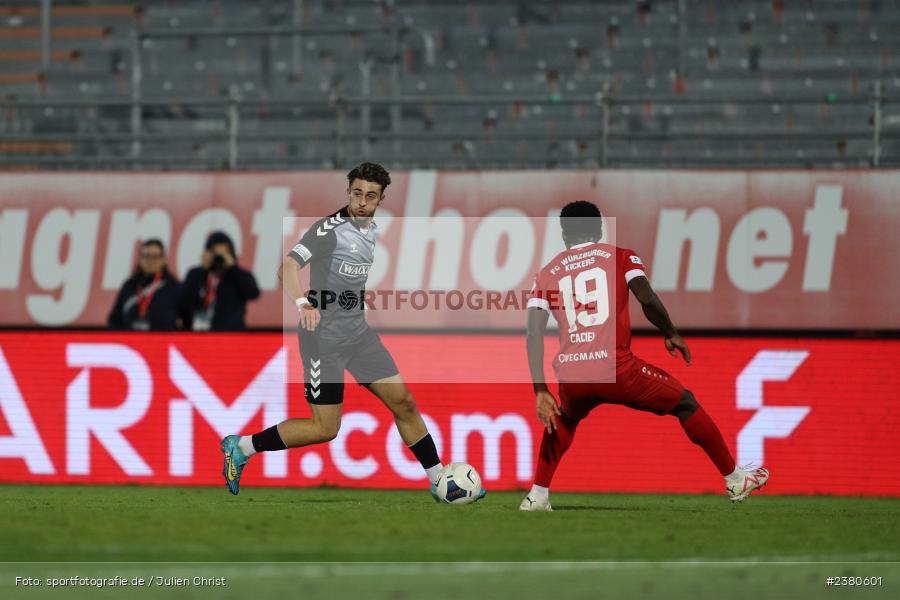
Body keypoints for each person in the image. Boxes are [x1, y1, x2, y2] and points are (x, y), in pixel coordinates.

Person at [219, 162, 472, 502]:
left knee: (404, 403)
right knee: (325, 429)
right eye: (357, 194)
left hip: (359, 335)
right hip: (323, 340)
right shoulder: (329, 231)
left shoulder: (371, 229)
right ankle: (243, 447)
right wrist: (302, 304)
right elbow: (288, 267)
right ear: (347, 192)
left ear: (382, 198)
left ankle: (438, 479)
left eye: (371, 196)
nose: (362, 202)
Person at [520, 200, 768, 511]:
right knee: (685, 402)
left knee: (565, 419)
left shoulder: (546, 274)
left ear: (563, 234)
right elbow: (647, 299)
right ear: (599, 228)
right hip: (619, 370)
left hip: (573, 376)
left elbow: (533, 334)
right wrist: (670, 331)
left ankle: (537, 495)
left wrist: (540, 389)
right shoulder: (621, 256)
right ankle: (734, 478)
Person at [179, 231, 260, 331]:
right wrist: (203, 269)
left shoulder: (238, 275)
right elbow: (183, 302)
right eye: (214, 253)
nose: (218, 258)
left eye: (223, 253)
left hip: (228, 336)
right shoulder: (196, 274)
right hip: (198, 334)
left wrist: (233, 268)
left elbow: (253, 293)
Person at [107, 239, 180, 331]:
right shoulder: (129, 285)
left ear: (163, 260)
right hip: (130, 341)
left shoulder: (174, 287)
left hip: (162, 342)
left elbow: (185, 317)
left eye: (155, 256)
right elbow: (114, 319)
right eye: (146, 256)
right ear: (140, 259)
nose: (150, 260)